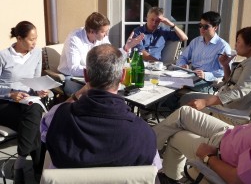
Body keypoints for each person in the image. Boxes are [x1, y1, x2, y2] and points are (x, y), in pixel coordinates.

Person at [154, 60, 251, 184]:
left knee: (176, 136)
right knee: (184, 112)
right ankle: (149, 148)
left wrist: (208, 157)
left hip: (218, 152)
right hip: (230, 133)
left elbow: (237, 179)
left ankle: (153, 161)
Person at [41, 44, 160, 169]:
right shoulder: (144, 134)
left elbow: (45, 137)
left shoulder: (57, 116)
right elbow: (152, 171)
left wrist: (77, 95)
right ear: (123, 76)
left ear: (86, 76)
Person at [180, 26, 251, 125]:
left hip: (231, 112)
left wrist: (205, 102)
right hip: (227, 103)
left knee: (183, 108)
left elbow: (239, 92)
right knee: (185, 98)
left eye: (238, 42)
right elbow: (231, 83)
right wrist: (225, 65)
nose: (235, 46)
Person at [0, 21, 49, 184]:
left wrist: (40, 90)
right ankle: (33, 168)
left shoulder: (36, 54)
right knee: (36, 123)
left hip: (28, 101)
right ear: (19, 38)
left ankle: (21, 164)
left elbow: (35, 80)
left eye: (36, 39)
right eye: (31, 39)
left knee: (34, 114)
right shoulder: (3, 56)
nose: (35, 43)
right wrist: (10, 93)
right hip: (5, 103)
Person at [58, 12, 144, 96]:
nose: (106, 34)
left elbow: (111, 56)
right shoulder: (74, 39)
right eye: (104, 32)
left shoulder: (102, 37)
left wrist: (126, 48)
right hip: (71, 77)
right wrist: (100, 71)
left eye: (107, 31)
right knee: (99, 92)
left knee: (115, 87)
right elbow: (74, 69)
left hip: (94, 77)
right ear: (92, 31)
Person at [176, 11, 231, 93]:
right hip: (191, 75)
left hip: (208, 82)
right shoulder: (196, 41)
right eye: (200, 25)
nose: (202, 29)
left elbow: (224, 71)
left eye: (206, 27)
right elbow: (183, 57)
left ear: (215, 27)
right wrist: (182, 65)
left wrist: (205, 75)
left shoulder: (223, 46)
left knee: (172, 83)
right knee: (164, 80)